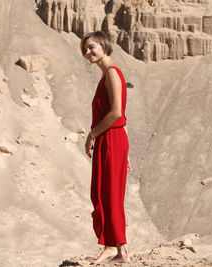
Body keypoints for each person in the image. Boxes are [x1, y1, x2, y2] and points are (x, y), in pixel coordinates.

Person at [80, 31, 131, 264]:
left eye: (91, 47)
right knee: (105, 192)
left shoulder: (111, 72)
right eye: (85, 49)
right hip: (112, 138)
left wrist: (92, 134)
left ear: (103, 45)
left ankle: (112, 247)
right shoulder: (107, 74)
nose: (87, 52)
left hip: (110, 137)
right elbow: (123, 117)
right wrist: (125, 151)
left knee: (107, 194)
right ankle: (121, 251)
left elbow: (117, 113)